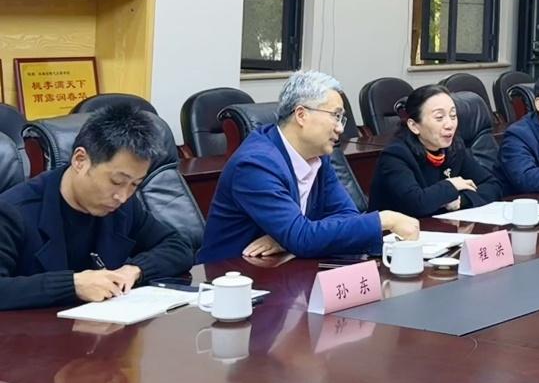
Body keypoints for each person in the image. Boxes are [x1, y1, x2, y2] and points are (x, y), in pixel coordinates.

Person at [198, 70, 419, 263]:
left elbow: (348, 215)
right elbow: (302, 238)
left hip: (282, 269)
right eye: (336, 116)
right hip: (231, 277)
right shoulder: (255, 164)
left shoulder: (317, 157)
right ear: (302, 115)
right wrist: (385, 220)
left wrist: (288, 238)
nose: (341, 128)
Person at [0, 106, 193, 310]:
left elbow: (178, 246)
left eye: (135, 184)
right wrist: (72, 285)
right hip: (36, 328)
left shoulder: (124, 205)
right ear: (80, 160)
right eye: (116, 181)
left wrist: (136, 269)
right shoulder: (12, 212)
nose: (123, 196)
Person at [368, 85, 501, 217]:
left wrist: (462, 200)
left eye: (453, 116)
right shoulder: (395, 156)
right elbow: (416, 204)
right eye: (439, 117)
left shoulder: (454, 148)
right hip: (398, 229)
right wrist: (451, 185)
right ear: (414, 126)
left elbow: (493, 185)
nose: (449, 125)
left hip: (442, 226)